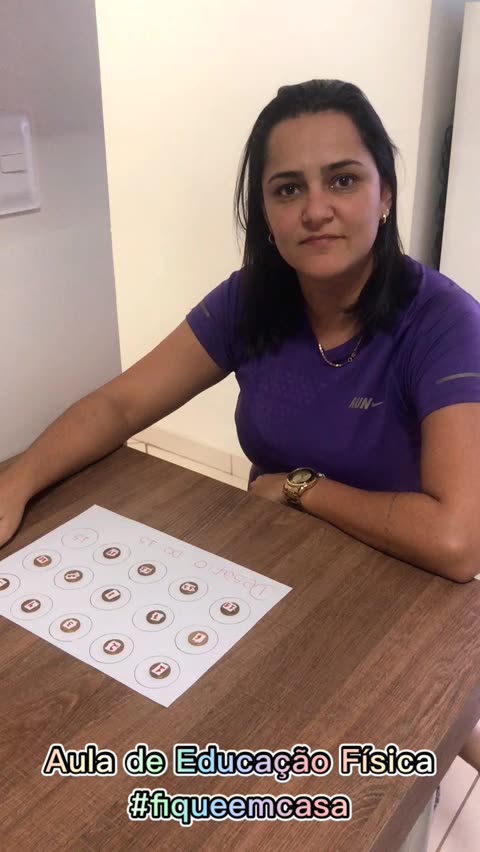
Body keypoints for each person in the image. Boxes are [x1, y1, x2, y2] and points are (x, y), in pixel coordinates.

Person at [1, 79, 479, 768]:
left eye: (342, 180)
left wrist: (300, 488)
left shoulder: (445, 322)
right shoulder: (252, 298)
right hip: (273, 564)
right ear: (265, 213)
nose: (315, 209)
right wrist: (16, 483)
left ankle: (451, 720)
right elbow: (120, 406)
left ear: (385, 195)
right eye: (288, 189)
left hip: (398, 580)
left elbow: (458, 542)